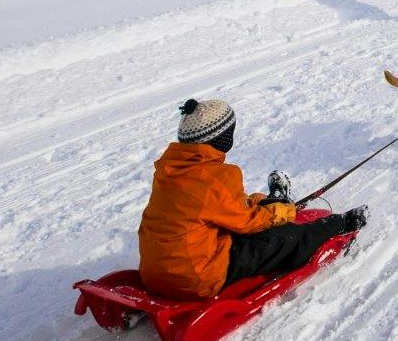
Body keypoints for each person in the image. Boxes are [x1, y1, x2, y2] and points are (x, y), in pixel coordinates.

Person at [138, 97, 366, 300]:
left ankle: (274, 200)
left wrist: (260, 202)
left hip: (153, 275)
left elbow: (220, 207)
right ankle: (340, 224)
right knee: (285, 237)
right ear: (220, 137)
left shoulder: (169, 170)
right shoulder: (216, 177)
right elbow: (248, 223)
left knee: (252, 217)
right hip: (197, 279)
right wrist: (287, 212)